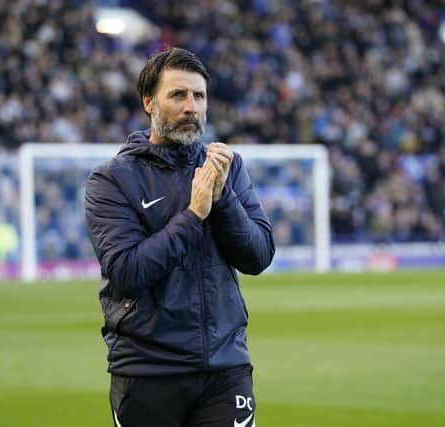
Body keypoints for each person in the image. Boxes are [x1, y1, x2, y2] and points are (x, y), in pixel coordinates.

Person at [84, 47, 275, 427]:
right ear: (148, 103)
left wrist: (222, 201)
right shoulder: (111, 180)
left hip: (225, 368)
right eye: (178, 95)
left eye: (199, 96)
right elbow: (127, 271)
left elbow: (258, 256)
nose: (191, 107)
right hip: (148, 372)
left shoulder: (227, 167)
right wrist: (193, 214)